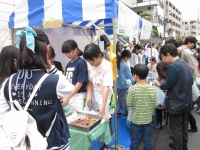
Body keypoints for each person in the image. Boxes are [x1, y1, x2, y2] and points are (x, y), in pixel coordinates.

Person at [0, 27, 74, 150]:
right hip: (53, 142)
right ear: (47, 50)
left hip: (22, 143)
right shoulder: (54, 81)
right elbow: (70, 89)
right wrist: (51, 68)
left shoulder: (8, 82)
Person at [154, 44, 193, 150]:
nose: (163, 60)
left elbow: (167, 85)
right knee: (183, 126)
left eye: (163, 57)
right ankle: (183, 146)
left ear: (168, 54)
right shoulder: (184, 63)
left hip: (176, 102)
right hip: (186, 100)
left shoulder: (173, 66)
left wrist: (158, 85)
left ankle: (178, 147)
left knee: (176, 128)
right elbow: (190, 81)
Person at [127, 64, 158, 150]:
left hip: (135, 119)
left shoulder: (133, 89)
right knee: (147, 140)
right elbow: (155, 104)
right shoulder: (152, 89)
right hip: (147, 119)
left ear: (135, 76)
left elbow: (129, 104)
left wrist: (129, 93)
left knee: (134, 140)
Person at [83, 43, 114, 121]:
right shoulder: (88, 64)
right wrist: (89, 96)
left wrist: (103, 109)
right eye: (88, 61)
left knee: (105, 119)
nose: (90, 63)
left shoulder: (107, 65)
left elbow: (106, 87)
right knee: (94, 119)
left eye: (92, 61)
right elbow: (89, 81)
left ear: (99, 56)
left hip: (105, 96)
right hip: (94, 94)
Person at [61, 39, 88, 111]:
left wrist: (68, 97)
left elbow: (80, 83)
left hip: (79, 96)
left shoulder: (81, 62)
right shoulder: (68, 64)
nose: (67, 55)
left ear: (76, 49)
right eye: (65, 53)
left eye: (68, 52)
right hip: (70, 95)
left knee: (78, 118)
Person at [117, 50, 135, 117]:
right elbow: (129, 76)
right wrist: (133, 81)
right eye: (128, 58)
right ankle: (125, 113)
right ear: (126, 57)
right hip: (125, 85)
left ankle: (117, 111)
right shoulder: (124, 65)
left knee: (119, 100)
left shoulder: (116, 63)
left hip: (118, 84)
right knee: (127, 100)